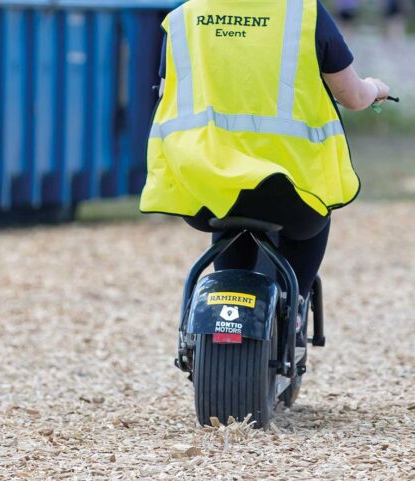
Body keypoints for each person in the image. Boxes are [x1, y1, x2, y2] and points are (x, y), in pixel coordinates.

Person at [141, 0, 391, 336]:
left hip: (202, 186)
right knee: (315, 211)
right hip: (288, 191)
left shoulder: (184, 17)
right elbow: (354, 97)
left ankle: (223, 321)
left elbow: (164, 90)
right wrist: (376, 88)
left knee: (228, 207)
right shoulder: (303, 13)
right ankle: (294, 310)